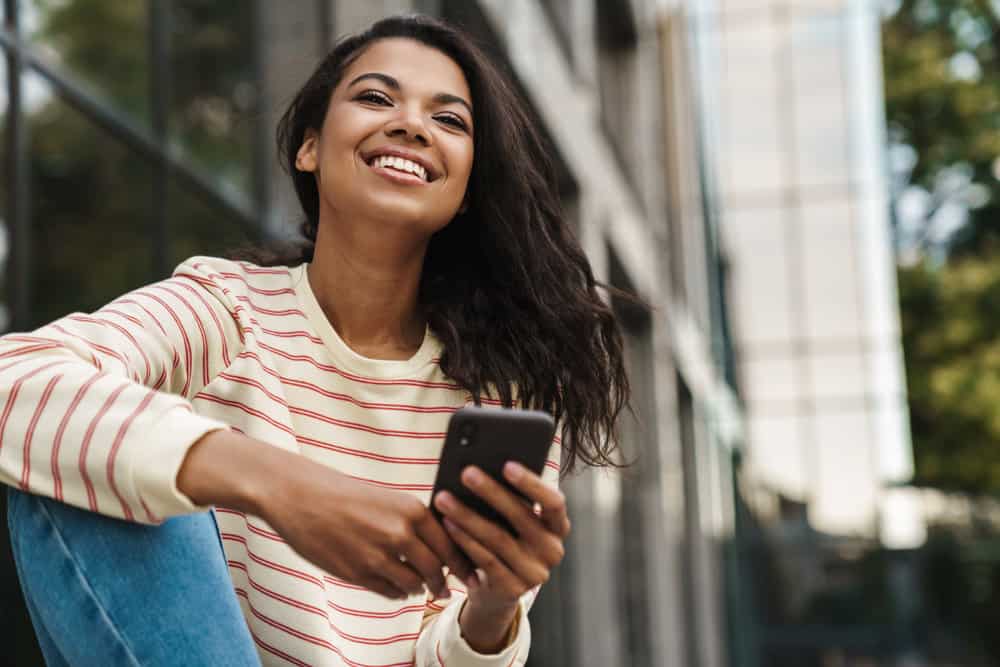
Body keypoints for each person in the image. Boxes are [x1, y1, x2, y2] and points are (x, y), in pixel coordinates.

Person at [2, 14, 629, 667]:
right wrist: (278, 483)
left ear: (468, 189)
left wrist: (493, 608)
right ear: (309, 147)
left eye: (449, 121)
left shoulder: (499, 392)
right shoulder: (230, 311)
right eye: (375, 98)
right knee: (86, 457)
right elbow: (15, 378)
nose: (411, 124)